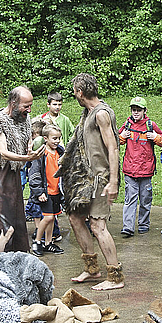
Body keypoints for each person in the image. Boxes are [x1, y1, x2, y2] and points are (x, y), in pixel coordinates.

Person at [56, 73, 124, 291]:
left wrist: (112, 181)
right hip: (84, 179)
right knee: (75, 217)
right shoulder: (87, 113)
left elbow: (113, 147)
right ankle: (92, 268)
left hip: (100, 178)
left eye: (74, 91)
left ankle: (115, 277)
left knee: (98, 225)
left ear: (80, 92)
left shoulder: (101, 114)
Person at [0, 86, 44, 253]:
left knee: (18, 223)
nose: (29, 109)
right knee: (6, 226)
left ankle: (15, 261)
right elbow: (3, 153)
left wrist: (30, 149)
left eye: (30, 105)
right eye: (26, 106)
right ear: (13, 103)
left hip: (13, 176)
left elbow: (25, 141)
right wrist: (28, 158)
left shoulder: (23, 119)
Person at [119, 97, 162, 237]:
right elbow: (115, 140)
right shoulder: (127, 124)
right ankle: (128, 227)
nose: (136, 113)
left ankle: (144, 224)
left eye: (139, 110)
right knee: (130, 199)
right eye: (134, 110)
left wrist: (155, 137)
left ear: (145, 111)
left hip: (146, 170)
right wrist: (122, 136)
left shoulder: (151, 125)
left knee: (145, 199)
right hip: (130, 169)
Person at [29, 124, 65, 256]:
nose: (56, 141)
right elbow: (34, 175)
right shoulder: (40, 154)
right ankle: (37, 241)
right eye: (54, 138)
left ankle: (48, 243)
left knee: (53, 217)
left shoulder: (60, 153)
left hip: (56, 191)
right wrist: (39, 192)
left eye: (58, 138)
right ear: (45, 138)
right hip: (45, 192)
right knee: (48, 218)